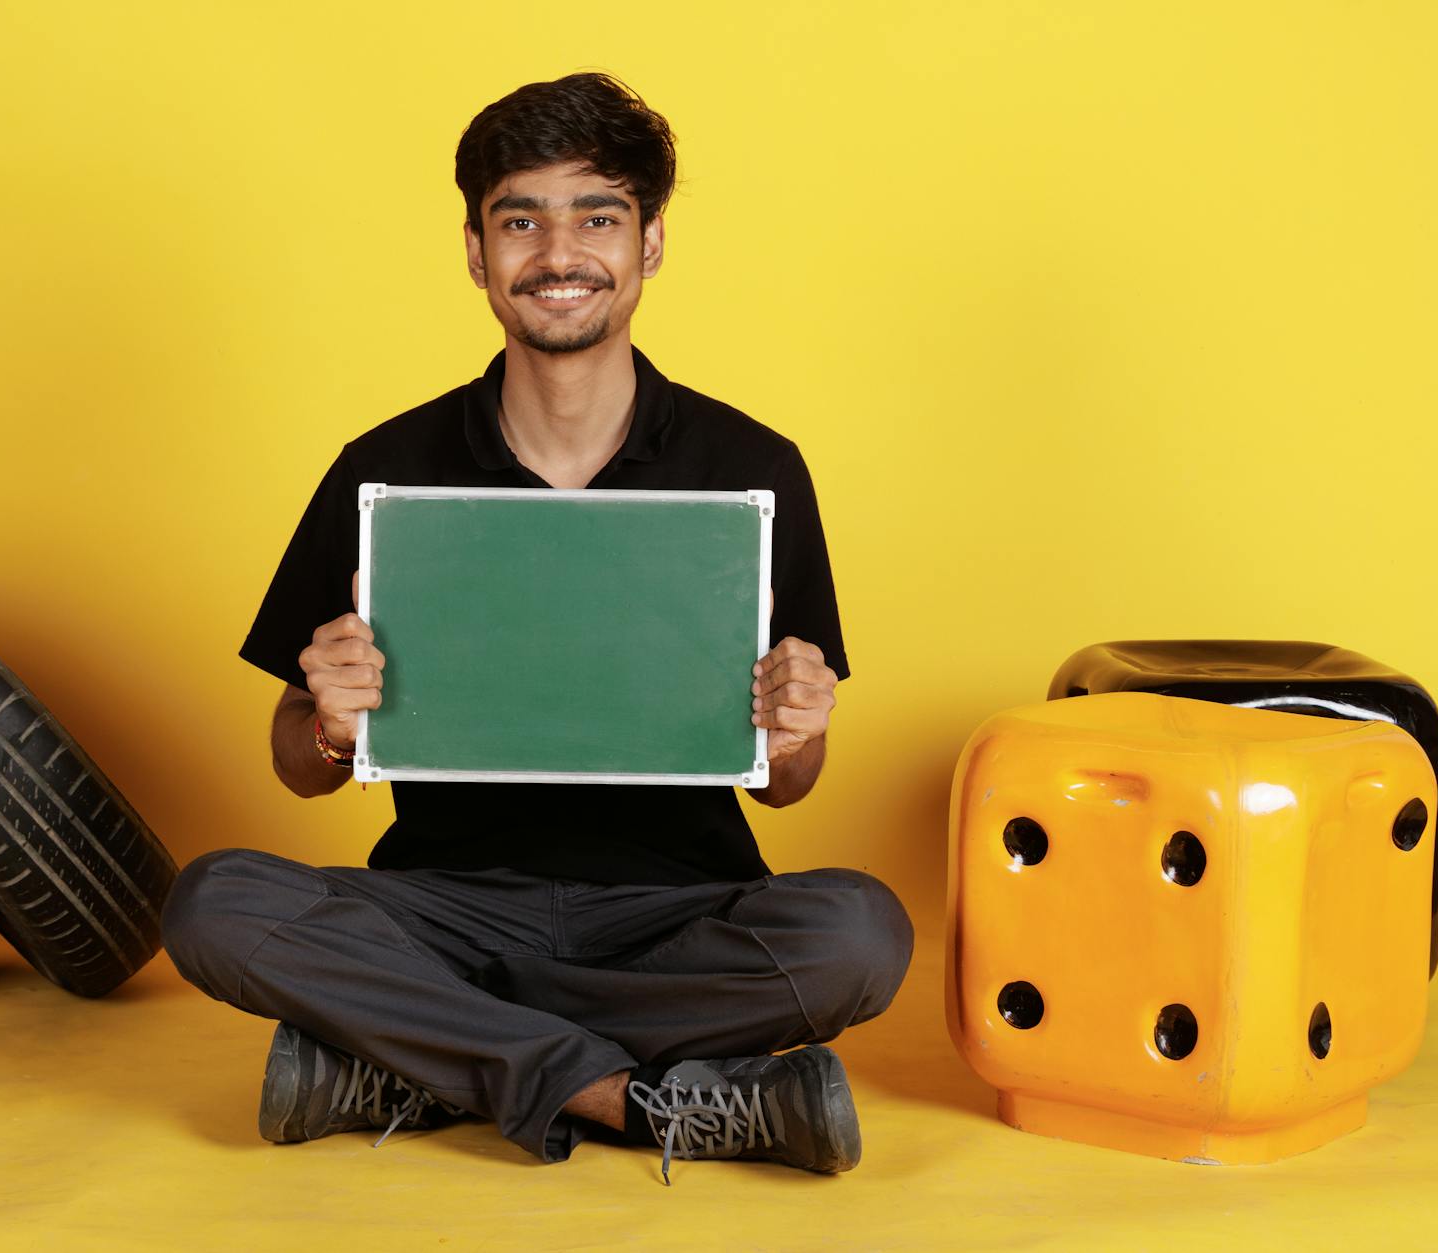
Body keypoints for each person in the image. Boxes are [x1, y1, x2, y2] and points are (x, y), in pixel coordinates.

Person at [162, 72, 912, 1184]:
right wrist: (322, 719)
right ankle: (629, 1094)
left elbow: (783, 785)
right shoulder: (387, 470)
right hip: (439, 907)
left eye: (596, 216)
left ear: (649, 242)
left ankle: (423, 1057)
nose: (558, 252)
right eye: (520, 219)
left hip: (677, 914)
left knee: (858, 932)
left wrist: (797, 730)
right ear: (474, 250)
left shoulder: (749, 469)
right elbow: (299, 766)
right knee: (212, 900)